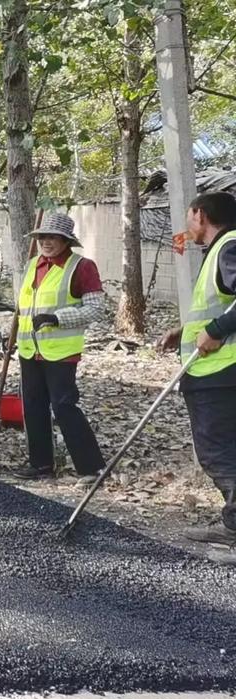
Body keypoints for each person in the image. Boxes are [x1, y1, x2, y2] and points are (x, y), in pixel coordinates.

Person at [156, 192, 236, 565]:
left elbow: (224, 317)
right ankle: (232, 523)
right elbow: (221, 305)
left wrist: (217, 330)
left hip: (220, 372)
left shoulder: (229, 248)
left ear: (200, 215)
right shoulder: (219, 251)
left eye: (189, 216)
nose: (187, 225)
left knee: (219, 453)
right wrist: (186, 330)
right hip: (214, 369)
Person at [13, 212, 107, 480]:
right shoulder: (33, 265)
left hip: (61, 351)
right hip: (30, 349)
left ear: (66, 241)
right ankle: (40, 464)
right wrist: (14, 337)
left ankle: (91, 467)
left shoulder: (82, 267)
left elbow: (95, 309)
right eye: (43, 236)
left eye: (53, 237)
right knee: (33, 406)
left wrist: (57, 318)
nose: (47, 242)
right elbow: (25, 306)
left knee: (64, 406)